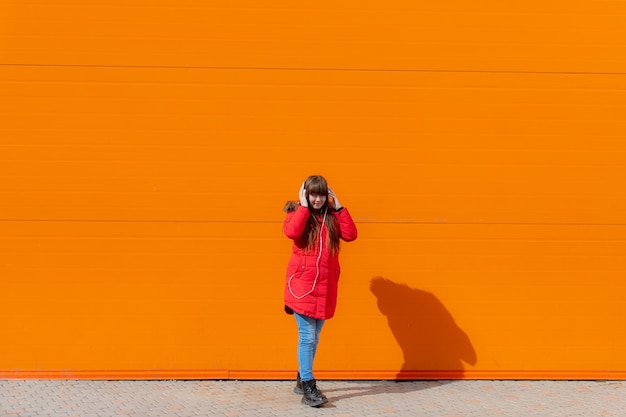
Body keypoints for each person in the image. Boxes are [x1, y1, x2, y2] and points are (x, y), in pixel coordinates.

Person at [282, 175, 358, 407]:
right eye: (313, 194)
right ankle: (308, 387)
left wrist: (340, 206)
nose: (317, 199)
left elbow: (351, 235)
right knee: (307, 337)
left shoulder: (331, 217)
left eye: (321, 194)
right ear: (306, 194)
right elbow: (292, 232)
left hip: (325, 287)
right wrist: (303, 207)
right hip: (302, 287)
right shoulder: (296, 213)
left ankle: (300, 379)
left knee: (314, 338)